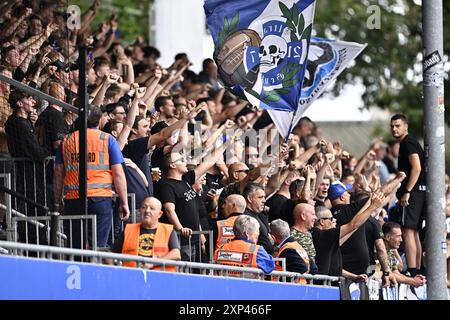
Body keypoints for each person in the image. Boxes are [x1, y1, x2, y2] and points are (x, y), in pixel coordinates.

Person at [53, 106, 130, 249]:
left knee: (75, 246)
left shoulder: (67, 140)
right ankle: (93, 270)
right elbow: (118, 174)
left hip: (73, 199)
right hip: (100, 199)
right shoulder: (107, 139)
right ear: (99, 119)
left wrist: (57, 202)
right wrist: (124, 202)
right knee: (98, 246)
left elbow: (58, 174)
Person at [390, 113, 426, 277]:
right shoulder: (410, 142)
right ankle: (417, 269)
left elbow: (416, 167)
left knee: (408, 231)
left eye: (397, 125)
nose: (394, 129)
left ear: (406, 126)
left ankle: (412, 270)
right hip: (421, 191)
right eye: (392, 126)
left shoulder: (407, 143)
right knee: (414, 231)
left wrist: (407, 191)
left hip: (414, 192)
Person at [113, 196, 180, 271]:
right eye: (144, 207)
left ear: (160, 214)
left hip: (160, 278)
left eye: (152, 208)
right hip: (131, 277)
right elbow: (111, 254)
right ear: (140, 210)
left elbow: (176, 254)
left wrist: (153, 262)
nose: (147, 211)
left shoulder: (168, 230)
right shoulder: (128, 230)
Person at [382, 222, 426, 287]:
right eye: (398, 236)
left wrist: (413, 279)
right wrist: (413, 281)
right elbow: (390, 274)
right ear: (387, 237)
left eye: (401, 236)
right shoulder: (379, 251)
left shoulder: (390, 251)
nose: (401, 240)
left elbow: (397, 270)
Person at [243, 183, 274, 255]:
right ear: (250, 198)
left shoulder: (259, 214)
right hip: (255, 259)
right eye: (260, 197)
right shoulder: (246, 217)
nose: (264, 200)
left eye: (264, 197)